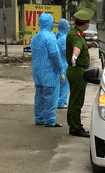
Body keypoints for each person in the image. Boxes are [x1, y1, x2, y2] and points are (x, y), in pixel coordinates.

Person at [31, 13, 66, 127]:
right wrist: (60, 70)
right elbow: (54, 55)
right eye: (52, 22)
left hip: (38, 72)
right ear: (48, 23)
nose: (53, 24)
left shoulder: (35, 37)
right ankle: (50, 120)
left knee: (39, 96)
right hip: (50, 73)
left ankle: (39, 118)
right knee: (51, 96)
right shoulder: (50, 37)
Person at [66, 9, 96, 137]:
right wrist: (74, 56)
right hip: (78, 70)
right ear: (86, 23)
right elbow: (77, 47)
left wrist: (90, 44)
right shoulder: (76, 35)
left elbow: (81, 45)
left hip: (76, 70)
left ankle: (74, 125)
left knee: (74, 99)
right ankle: (76, 127)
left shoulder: (76, 33)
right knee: (77, 101)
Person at [55, 18, 71, 108]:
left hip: (60, 64)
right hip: (64, 64)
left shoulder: (58, 36)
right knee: (64, 84)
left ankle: (60, 101)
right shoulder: (64, 38)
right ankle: (62, 101)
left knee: (61, 84)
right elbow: (66, 51)